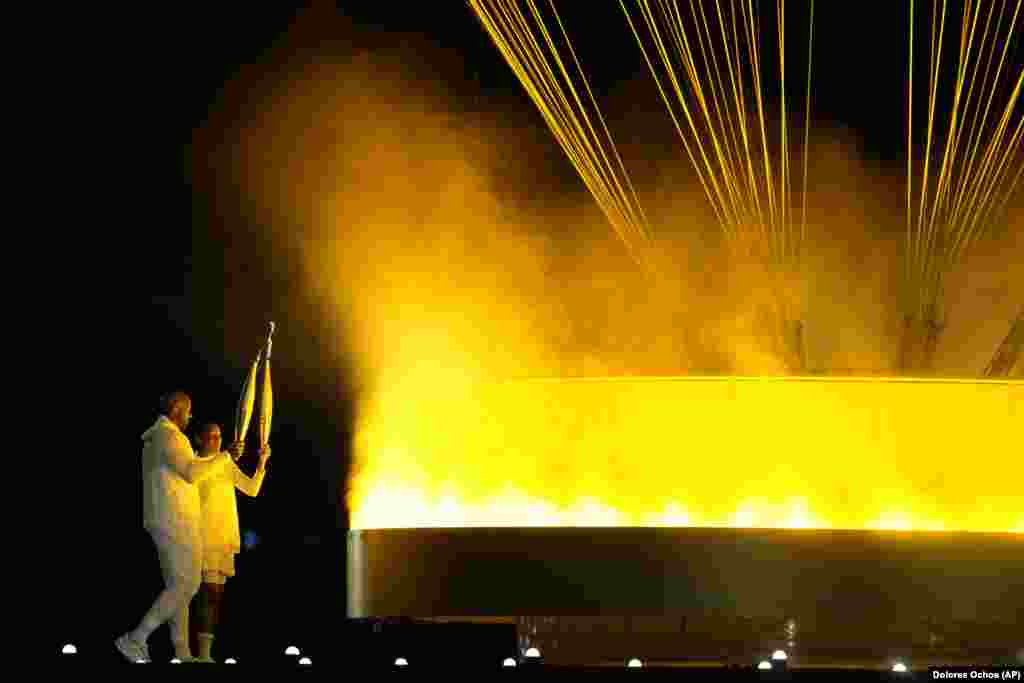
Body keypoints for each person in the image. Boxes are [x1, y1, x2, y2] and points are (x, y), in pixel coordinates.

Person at [115, 392, 238, 663]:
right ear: (175, 409)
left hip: (168, 519)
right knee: (187, 583)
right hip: (174, 520)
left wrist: (222, 459)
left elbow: (190, 468)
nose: (191, 416)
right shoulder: (169, 436)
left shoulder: (160, 437)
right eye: (188, 410)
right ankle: (135, 638)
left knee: (177, 585)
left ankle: (182, 651)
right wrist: (224, 457)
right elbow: (191, 472)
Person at [190, 422, 270, 663]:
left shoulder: (225, 463)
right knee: (205, 593)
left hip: (224, 537)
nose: (216, 440)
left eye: (219, 436)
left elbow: (251, 488)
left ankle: (205, 654)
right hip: (201, 537)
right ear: (198, 439)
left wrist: (262, 461)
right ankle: (191, 652)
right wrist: (227, 455)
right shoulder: (192, 464)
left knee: (215, 595)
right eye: (211, 436)